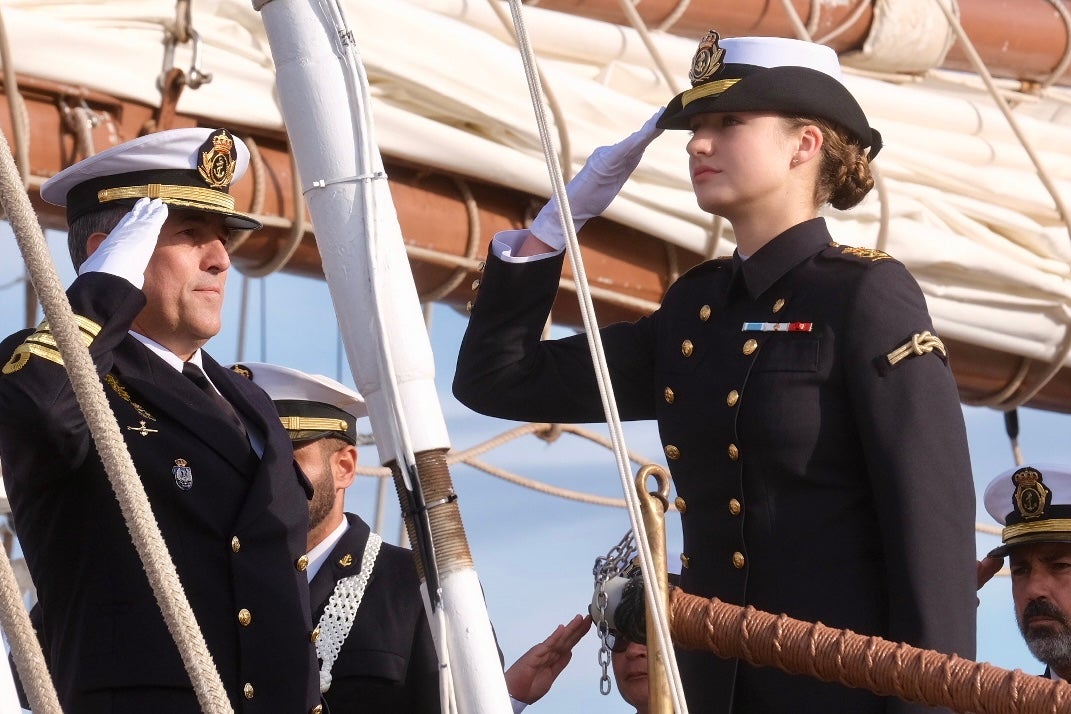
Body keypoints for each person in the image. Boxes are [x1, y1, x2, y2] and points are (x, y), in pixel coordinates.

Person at [453, 30, 977, 713]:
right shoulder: (695, 311)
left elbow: (929, 531)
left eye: (728, 123)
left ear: (804, 144)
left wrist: (933, 702)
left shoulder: (863, 296)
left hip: (841, 690)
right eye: (695, 127)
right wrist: (553, 230)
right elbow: (499, 379)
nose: (698, 144)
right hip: (712, 690)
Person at [0, 129, 321, 713]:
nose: (221, 259)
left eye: (223, 238)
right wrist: (101, 291)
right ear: (114, 253)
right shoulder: (65, 377)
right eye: (190, 235)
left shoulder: (251, 404)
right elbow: (39, 407)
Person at [232, 361, 441, 712]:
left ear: (344, 468)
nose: (265, 479)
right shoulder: (205, 580)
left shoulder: (415, 585)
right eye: (249, 461)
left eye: (286, 461)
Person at [983, 464, 1071, 680]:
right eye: (1020, 570)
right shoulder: (1005, 700)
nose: (1033, 590)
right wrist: (949, 608)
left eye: (1060, 566)